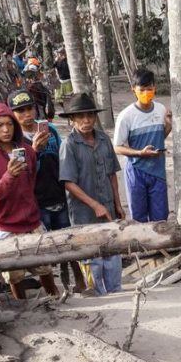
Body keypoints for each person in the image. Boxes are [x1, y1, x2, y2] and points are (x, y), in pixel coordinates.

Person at [0, 102, 59, 300]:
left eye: (9, 124)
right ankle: (22, 307)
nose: (5, 129)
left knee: (44, 266)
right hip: (5, 224)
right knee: (14, 274)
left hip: (31, 220)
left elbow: (30, 184)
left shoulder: (27, 151)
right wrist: (9, 175)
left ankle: (55, 300)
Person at [9, 88, 87, 293]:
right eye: (20, 111)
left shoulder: (50, 131)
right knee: (47, 246)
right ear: (12, 114)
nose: (26, 114)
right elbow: (22, 176)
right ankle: (57, 286)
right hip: (36, 201)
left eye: (29, 109)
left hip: (59, 194)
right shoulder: (14, 142)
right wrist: (34, 151)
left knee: (68, 240)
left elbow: (64, 160)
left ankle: (79, 280)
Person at [58, 93, 126, 294]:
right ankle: (97, 293)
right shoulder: (69, 145)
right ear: (72, 119)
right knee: (91, 256)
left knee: (112, 252)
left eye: (89, 116)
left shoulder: (104, 139)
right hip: (84, 213)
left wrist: (118, 203)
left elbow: (112, 173)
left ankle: (115, 291)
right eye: (80, 117)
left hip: (108, 208)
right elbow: (68, 183)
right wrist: (94, 204)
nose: (86, 121)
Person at [113, 69, 172, 223]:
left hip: (158, 171)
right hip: (136, 171)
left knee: (160, 219)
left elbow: (161, 136)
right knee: (139, 219)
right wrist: (140, 153)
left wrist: (168, 126)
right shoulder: (126, 116)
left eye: (149, 89)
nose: (146, 92)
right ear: (134, 90)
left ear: (155, 89)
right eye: (142, 89)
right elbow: (117, 147)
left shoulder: (161, 110)